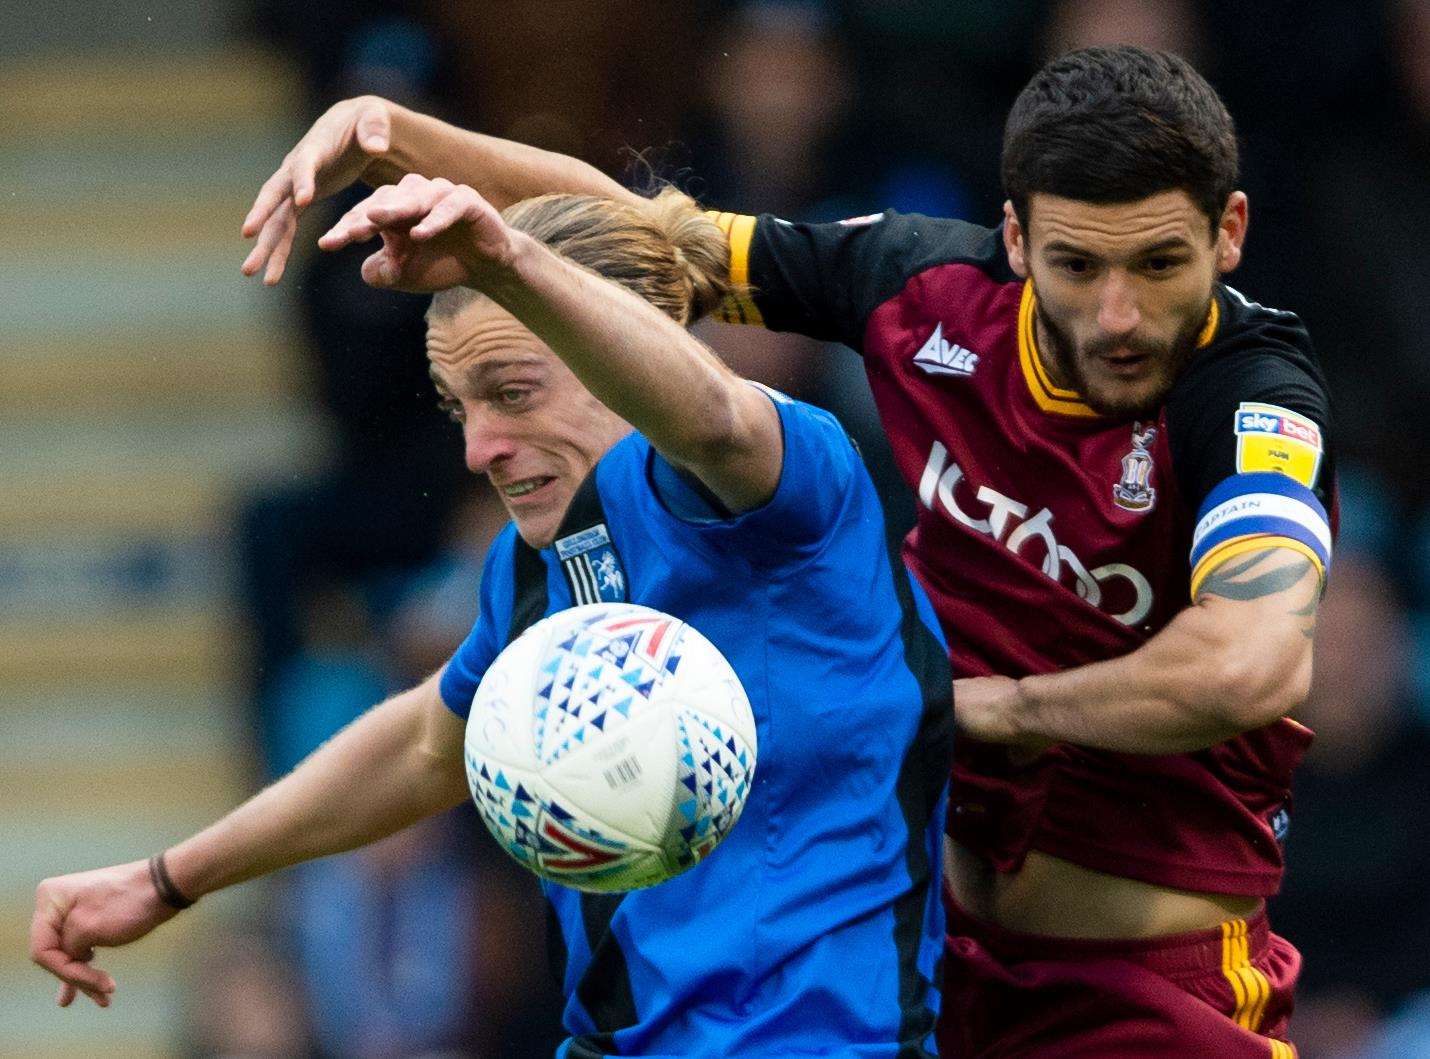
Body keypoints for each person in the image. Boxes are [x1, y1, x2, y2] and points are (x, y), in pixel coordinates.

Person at [236, 44, 1336, 1058]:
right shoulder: (925, 293)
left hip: (1148, 986)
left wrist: (978, 707)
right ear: (1013, 241)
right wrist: (393, 134)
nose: (1116, 316)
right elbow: (639, 238)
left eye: (1157, 264)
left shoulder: (1249, 398)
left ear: (1227, 233)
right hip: (929, 966)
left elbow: (1250, 665)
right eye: (1075, 266)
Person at [32, 179, 954, 1057]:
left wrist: (508, 256)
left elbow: (711, 416)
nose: (478, 449)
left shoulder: (785, 484)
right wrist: (166, 878)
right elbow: (429, 748)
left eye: (512, 393)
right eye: (460, 406)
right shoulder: (534, 565)